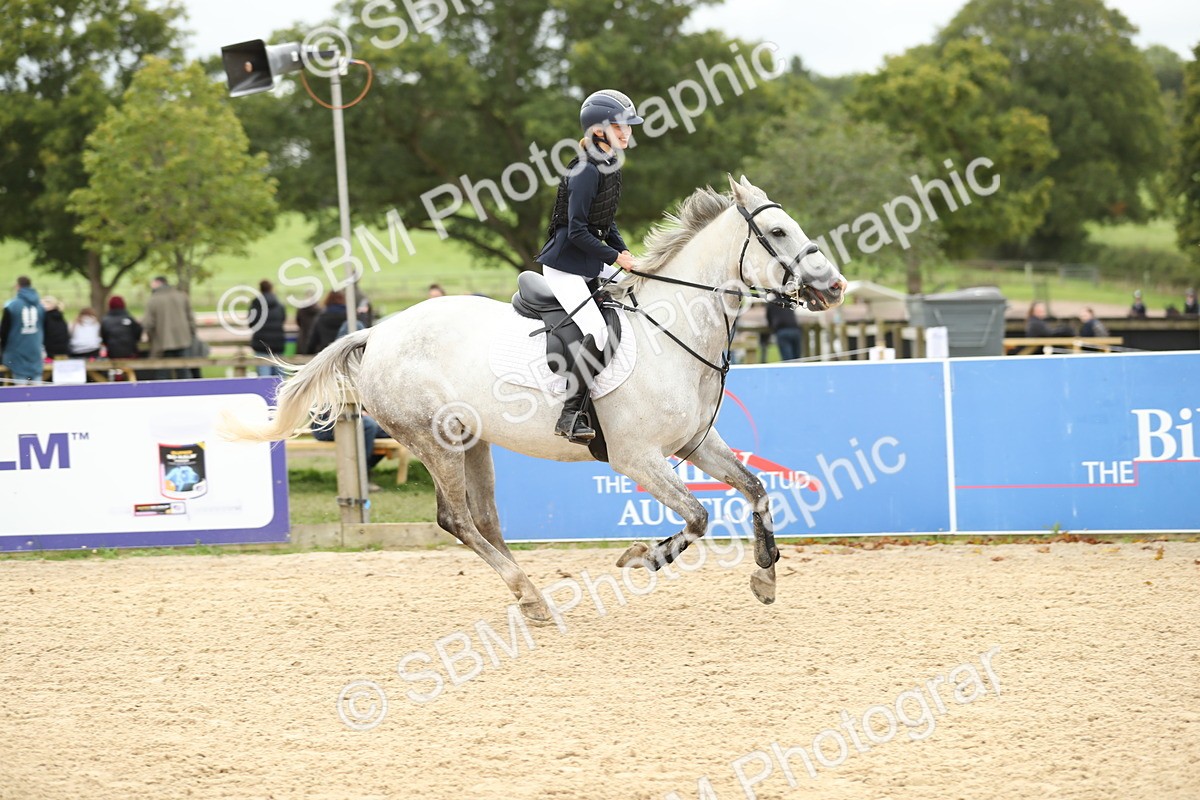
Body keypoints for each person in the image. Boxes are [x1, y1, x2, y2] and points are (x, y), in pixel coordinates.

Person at [534, 88, 642, 443]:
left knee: (640, 292)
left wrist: (628, 259)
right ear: (598, 130)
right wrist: (614, 258)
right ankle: (571, 414)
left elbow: (606, 222)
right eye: (619, 126)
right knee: (597, 330)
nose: (626, 132)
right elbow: (577, 230)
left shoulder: (610, 163)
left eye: (627, 126)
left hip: (591, 261)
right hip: (566, 266)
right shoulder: (585, 169)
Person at [143, 275, 196, 379]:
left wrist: (151, 338)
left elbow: (148, 323)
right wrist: (191, 334)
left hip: (163, 342)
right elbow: (191, 319)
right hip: (183, 340)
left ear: (158, 284)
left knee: (163, 372)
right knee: (184, 371)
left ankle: (162, 394)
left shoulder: (153, 300)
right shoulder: (182, 296)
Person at [2, 276, 46, 384]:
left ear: (18, 286)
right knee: (37, 388)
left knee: (21, 390)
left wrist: (3, 349)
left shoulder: (12, 306)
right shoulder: (40, 306)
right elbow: (45, 328)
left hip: (17, 350)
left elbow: (4, 331)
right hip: (35, 349)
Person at [248, 280, 287, 377]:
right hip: (277, 343)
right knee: (279, 379)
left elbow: (251, 323)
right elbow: (282, 319)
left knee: (264, 378)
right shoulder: (279, 305)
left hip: (261, 344)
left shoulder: (255, 305)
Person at [306, 290, 350, 355]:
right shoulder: (350, 317)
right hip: (344, 354)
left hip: (326, 354)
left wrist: (308, 352)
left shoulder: (321, 317)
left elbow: (313, 340)